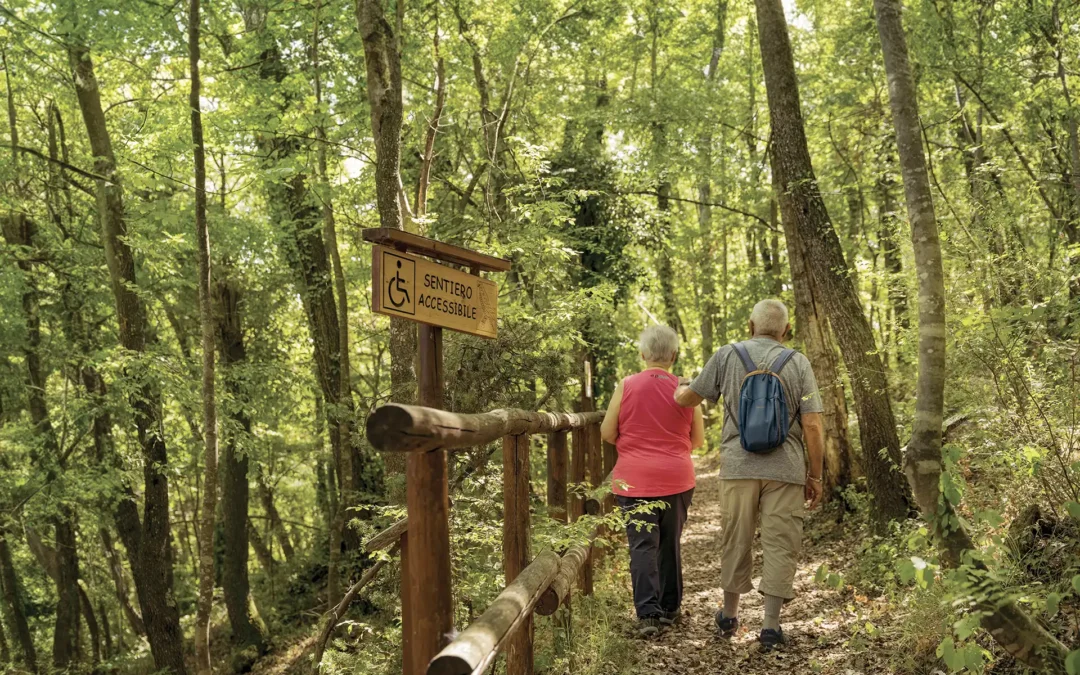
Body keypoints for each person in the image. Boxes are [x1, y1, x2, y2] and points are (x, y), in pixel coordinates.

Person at [674, 299, 825, 651]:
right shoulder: (798, 362)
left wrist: (678, 386)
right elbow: (813, 424)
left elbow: (690, 399)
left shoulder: (728, 355)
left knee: (736, 538)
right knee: (780, 542)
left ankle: (729, 615)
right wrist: (814, 476)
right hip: (786, 469)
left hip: (738, 467)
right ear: (786, 330)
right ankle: (770, 626)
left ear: (750, 325)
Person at [601, 325, 705, 638]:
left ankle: (648, 615)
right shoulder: (687, 389)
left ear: (643, 354)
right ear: (673, 356)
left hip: (635, 480)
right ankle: (671, 609)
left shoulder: (627, 385)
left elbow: (607, 433)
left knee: (642, 545)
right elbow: (698, 440)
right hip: (677, 478)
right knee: (669, 543)